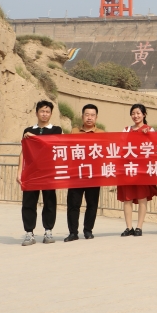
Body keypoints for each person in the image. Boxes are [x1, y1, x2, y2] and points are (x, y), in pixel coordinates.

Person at [17, 100, 63, 246]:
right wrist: (19, 171)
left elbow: (53, 145)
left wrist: (34, 137)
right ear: (37, 113)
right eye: (42, 111)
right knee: (28, 202)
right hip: (31, 172)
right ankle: (29, 233)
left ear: (51, 114)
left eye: (47, 111)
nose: (44, 114)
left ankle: (48, 231)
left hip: (49, 172)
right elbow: (23, 152)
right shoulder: (28, 130)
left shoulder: (56, 130)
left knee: (49, 202)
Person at [118, 104, 157, 237]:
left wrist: (149, 135)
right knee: (127, 199)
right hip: (128, 168)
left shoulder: (149, 129)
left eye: (138, 113)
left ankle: (139, 227)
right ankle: (128, 227)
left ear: (144, 114)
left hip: (142, 170)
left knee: (142, 198)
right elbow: (120, 146)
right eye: (133, 113)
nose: (135, 116)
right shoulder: (126, 130)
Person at [64, 104, 103, 242]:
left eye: (92, 115)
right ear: (82, 116)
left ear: (96, 117)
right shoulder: (74, 131)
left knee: (92, 204)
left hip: (93, 175)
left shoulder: (102, 134)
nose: (89, 118)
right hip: (76, 174)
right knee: (73, 204)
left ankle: (88, 230)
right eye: (87, 115)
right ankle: (73, 232)